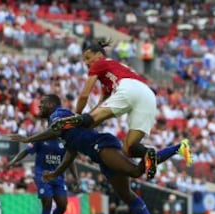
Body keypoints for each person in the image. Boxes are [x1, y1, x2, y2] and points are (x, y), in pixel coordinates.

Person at [10, 94, 163, 214]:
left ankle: (150, 152)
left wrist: (29, 139)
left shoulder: (58, 114)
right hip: (99, 156)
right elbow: (70, 155)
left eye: (42, 103)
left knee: (135, 171)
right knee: (128, 196)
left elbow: (55, 130)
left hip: (101, 145)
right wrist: (55, 173)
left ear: (51, 104)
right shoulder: (64, 129)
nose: (39, 106)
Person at [50, 39, 192, 173]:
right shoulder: (112, 71)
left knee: (91, 119)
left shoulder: (99, 64)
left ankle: (71, 123)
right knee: (129, 149)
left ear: (99, 55)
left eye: (88, 58)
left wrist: (77, 115)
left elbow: (84, 95)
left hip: (128, 88)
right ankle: (158, 151)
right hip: (148, 95)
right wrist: (88, 120)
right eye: (84, 60)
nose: (86, 63)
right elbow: (101, 105)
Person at [7, 139, 78, 214]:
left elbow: (70, 160)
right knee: (47, 202)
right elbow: (26, 151)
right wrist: (14, 160)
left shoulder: (64, 141)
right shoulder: (41, 140)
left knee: (62, 205)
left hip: (58, 178)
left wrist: (76, 177)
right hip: (43, 176)